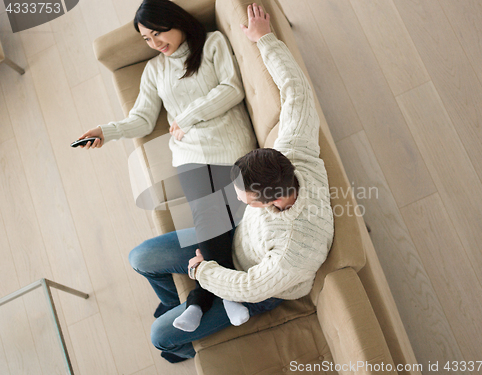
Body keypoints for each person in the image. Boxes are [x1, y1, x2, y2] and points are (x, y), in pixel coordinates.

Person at [128, 3, 334, 363]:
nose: (237, 197)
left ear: (267, 202)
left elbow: (249, 285)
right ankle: (175, 302)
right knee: (141, 257)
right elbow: (296, 90)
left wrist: (201, 270)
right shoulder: (295, 149)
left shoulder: (293, 248)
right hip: (240, 238)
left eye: (244, 197)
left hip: (259, 283)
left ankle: (180, 350)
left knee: (160, 338)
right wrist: (264, 38)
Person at [76, 0, 257, 332]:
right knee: (208, 216)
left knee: (214, 219)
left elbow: (232, 89)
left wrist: (187, 115)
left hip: (230, 146)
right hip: (188, 155)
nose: (155, 43)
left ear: (176, 22)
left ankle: (203, 299)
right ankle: (224, 294)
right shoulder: (154, 70)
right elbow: (142, 120)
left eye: (158, 33)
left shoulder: (212, 43)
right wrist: (106, 131)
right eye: (146, 39)